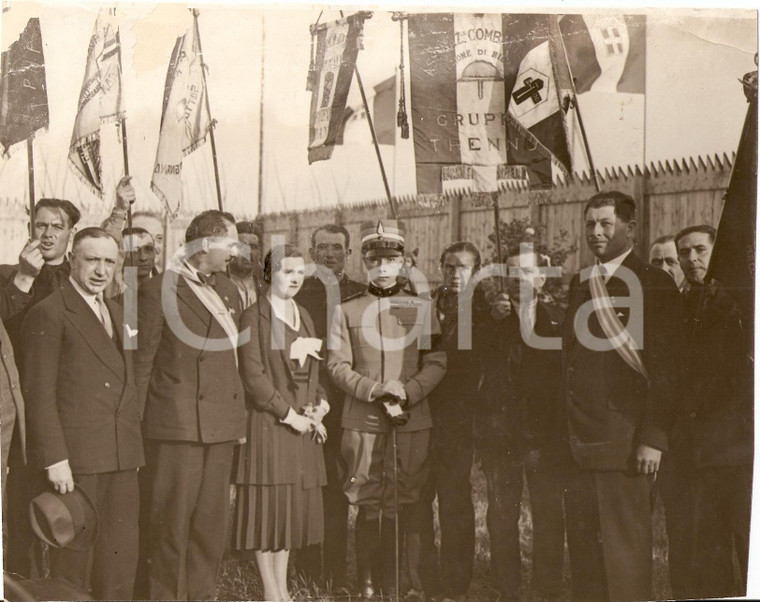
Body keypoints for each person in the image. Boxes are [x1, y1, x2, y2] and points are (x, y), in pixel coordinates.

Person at [562, 191, 682, 601]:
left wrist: (653, 437)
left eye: (606, 224)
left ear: (630, 228)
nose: (596, 232)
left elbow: (668, 371)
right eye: (590, 223)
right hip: (581, 440)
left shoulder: (653, 282)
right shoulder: (582, 281)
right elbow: (570, 362)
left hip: (625, 441)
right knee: (586, 556)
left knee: (624, 557)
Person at [19, 227, 144, 600]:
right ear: (72, 260)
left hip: (121, 456)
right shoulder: (50, 313)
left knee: (120, 556)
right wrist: (55, 459)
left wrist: (132, 448)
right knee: (73, 561)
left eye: (109, 261)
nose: (101, 270)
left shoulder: (119, 312)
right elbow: (38, 396)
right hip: (77, 462)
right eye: (91, 260)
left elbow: (128, 383)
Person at [327, 219, 446, 600]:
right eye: (374, 260)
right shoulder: (346, 310)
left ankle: (396, 584)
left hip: (410, 420)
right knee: (366, 500)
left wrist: (407, 393)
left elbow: (437, 362)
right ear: (364, 262)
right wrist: (375, 390)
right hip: (363, 420)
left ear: (402, 261)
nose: (382, 267)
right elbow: (336, 365)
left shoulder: (421, 309)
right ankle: (366, 584)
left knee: (403, 500)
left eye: (390, 260)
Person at [134, 210, 246, 600]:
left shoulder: (229, 290)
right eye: (230, 243)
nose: (235, 251)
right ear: (206, 244)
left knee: (209, 527)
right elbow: (142, 366)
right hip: (176, 428)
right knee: (170, 527)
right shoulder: (157, 290)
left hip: (221, 427)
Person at [234, 244, 329, 602]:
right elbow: (254, 376)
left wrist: (320, 408)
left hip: (302, 426)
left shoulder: (304, 314)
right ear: (267, 276)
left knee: (287, 511)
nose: (293, 278)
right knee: (266, 510)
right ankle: (271, 592)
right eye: (285, 271)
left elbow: (314, 372)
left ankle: (283, 588)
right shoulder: (251, 317)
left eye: (299, 272)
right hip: (269, 425)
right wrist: (289, 416)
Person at [480, 246, 567, 601]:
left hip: (544, 437)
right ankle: (508, 588)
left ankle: (546, 589)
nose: (520, 280)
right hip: (502, 436)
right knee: (502, 516)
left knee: (548, 516)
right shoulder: (490, 320)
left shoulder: (559, 317)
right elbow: (474, 362)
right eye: (513, 272)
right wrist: (491, 320)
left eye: (527, 272)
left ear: (542, 277)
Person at [675, 224, 752, 597]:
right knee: (710, 548)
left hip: (740, 446)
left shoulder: (740, 303)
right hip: (700, 449)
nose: (692, 259)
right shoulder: (681, 307)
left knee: (747, 540)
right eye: (684, 254)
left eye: (700, 250)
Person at [294, 223, 365, 588]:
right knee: (308, 488)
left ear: (348, 254)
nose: (330, 254)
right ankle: (306, 573)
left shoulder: (361, 293)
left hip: (349, 404)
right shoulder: (299, 291)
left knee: (338, 490)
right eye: (322, 247)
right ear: (311, 252)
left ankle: (336, 576)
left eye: (337, 248)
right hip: (308, 401)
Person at [427, 241, 490, 602]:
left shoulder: (483, 310)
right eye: (449, 266)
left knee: (453, 499)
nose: (454, 274)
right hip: (422, 411)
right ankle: (420, 577)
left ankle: (454, 583)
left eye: (462, 267)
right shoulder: (428, 304)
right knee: (418, 496)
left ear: (476, 270)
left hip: (459, 416)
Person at [228, 219, 265, 309]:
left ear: (259, 252)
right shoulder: (219, 286)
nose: (248, 252)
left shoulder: (266, 289)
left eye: (253, 247)